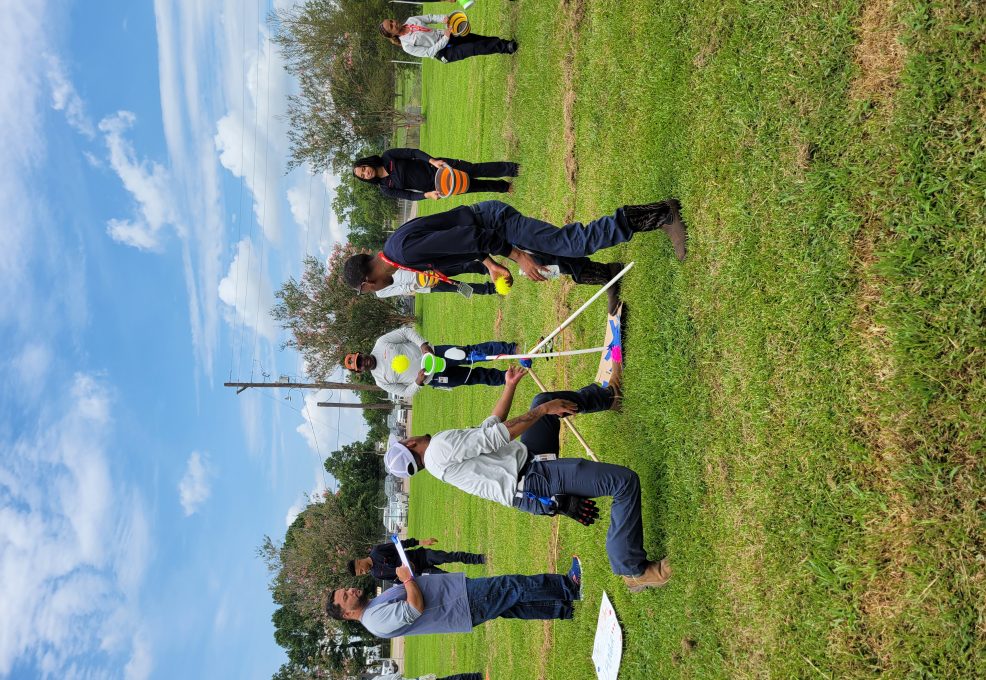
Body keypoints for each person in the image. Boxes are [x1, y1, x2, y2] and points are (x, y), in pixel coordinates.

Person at [383, 367, 672, 593]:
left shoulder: (436, 458)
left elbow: (488, 428)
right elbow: (496, 436)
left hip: (529, 461)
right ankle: (632, 570)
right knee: (623, 482)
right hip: (534, 482)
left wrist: (509, 387)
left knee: (542, 401)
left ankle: (610, 397)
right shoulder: (438, 448)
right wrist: (544, 411)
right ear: (409, 444)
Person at [341, 199, 687, 312]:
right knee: (551, 261)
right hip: (487, 231)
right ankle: (608, 275)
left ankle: (661, 214)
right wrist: (491, 265)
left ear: (368, 282)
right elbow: (459, 242)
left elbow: (470, 235)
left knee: (569, 243)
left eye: (367, 290)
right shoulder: (396, 250)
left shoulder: (403, 251)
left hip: (494, 223)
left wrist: (517, 256)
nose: (374, 292)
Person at [325, 559, 583, 638]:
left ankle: (562, 608)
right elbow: (414, 608)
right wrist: (407, 580)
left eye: (346, 589)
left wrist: (409, 577)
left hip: (458, 599)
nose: (351, 590)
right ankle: (570, 587)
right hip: (460, 603)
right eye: (345, 596)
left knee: (511, 605)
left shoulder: (372, 608)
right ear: (347, 614)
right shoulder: (374, 620)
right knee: (511, 586)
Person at [343, 326, 516, 399]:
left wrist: (422, 345)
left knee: (471, 353)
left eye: (360, 358)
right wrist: (418, 382)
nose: (363, 362)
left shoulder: (381, 343)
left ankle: (510, 349)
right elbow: (406, 393)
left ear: (361, 353)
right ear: (360, 371)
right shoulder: (381, 381)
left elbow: (405, 333)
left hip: (436, 353)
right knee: (473, 377)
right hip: (435, 378)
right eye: (360, 365)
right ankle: (507, 377)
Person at [353, 148, 518, 201]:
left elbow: (413, 152)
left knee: (474, 170)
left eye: (363, 169)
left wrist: (432, 160)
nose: (366, 173)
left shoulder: (388, 156)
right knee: (471, 186)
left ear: (366, 163)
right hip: (436, 185)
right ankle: (505, 187)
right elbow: (409, 195)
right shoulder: (385, 188)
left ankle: (512, 169)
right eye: (363, 175)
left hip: (437, 167)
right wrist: (427, 195)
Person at [379, 14, 517, 64]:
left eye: (391, 21)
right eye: (391, 26)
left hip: (446, 35)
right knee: (473, 48)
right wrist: (445, 38)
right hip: (444, 53)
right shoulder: (407, 46)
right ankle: (507, 47)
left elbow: (429, 18)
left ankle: (503, 43)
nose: (394, 23)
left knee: (474, 38)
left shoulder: (411, 20)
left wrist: (442, 18)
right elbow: (429, 52)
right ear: (392, 35)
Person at [349, 536, 486, 581]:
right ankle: (475, 584)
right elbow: (397, 581)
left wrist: (422, 542)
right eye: (361, 574)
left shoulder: (377, 551)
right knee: (447, 578)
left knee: (451, 557)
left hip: (422, 556)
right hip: (421, 573)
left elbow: (401, 545)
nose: (363, 572)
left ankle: (479, 559)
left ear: (359, 562)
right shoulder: (376, 574)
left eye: (360, 570)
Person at [373, 267, 497, 299]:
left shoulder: (376, 269)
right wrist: (423, 283)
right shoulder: (380, 292)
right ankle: (491, 289)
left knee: (460, 267)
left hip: (424, 268)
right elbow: (403, 289)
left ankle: (488, 268)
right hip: (426, 284)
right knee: (458, 287)